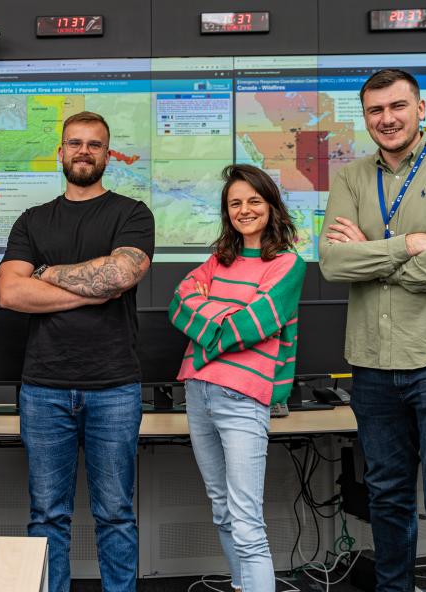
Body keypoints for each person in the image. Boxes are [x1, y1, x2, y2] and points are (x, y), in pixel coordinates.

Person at [319, 68, 426, 591]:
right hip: (373, 361)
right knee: (386, 500)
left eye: (397, 106)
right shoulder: (351, 177)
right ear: (365, 117)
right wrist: (410, 244)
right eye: (375, 110)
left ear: (421, 109)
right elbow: (332, 263)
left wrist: (373, 260)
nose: (387, 118)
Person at [0, 111, 154, 592]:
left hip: (114, 387)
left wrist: (45, 274)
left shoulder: (132, 213)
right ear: (60, 152)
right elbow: (10, 292)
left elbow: (120, 275)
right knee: (47, 515)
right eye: (75, 143)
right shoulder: (32, 220)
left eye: (94, 144)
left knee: (116, 513)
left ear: (108, 155)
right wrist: (94, 289)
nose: (84, 151)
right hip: (43, 389)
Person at [169, 164, 305, 592]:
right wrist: (227, 322)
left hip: (243, 397)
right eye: (235, 203)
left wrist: (209, 327)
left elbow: (255, 322)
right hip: (198, 392)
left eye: (253, 201)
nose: (244, 210)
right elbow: (179, 304)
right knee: (222, 510)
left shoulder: (287, 264)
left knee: (246, 521)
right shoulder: (218, 260)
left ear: (271, 205)